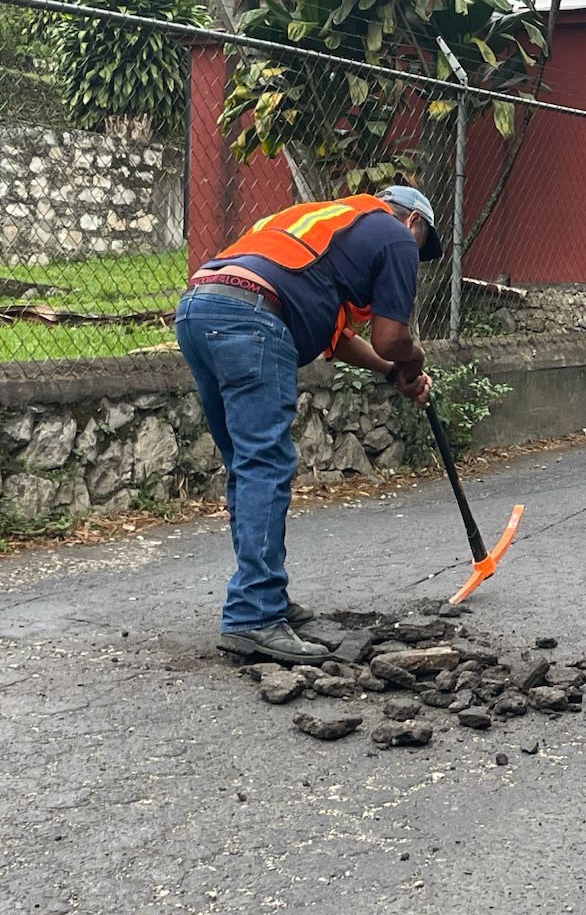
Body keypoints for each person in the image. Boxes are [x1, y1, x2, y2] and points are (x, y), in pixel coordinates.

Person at [176, 185, 440, 663]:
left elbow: (343, 341)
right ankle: (253, 614)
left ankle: (265, 598)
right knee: (264, 464)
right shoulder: (397, 235)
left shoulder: (327, 227)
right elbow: (391, 338)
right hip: (253, 316)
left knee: (247, 465)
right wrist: (413, 361)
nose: (415, 260)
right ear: (413, 223)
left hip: (201, 307)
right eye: (422, 248)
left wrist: (391, 373)